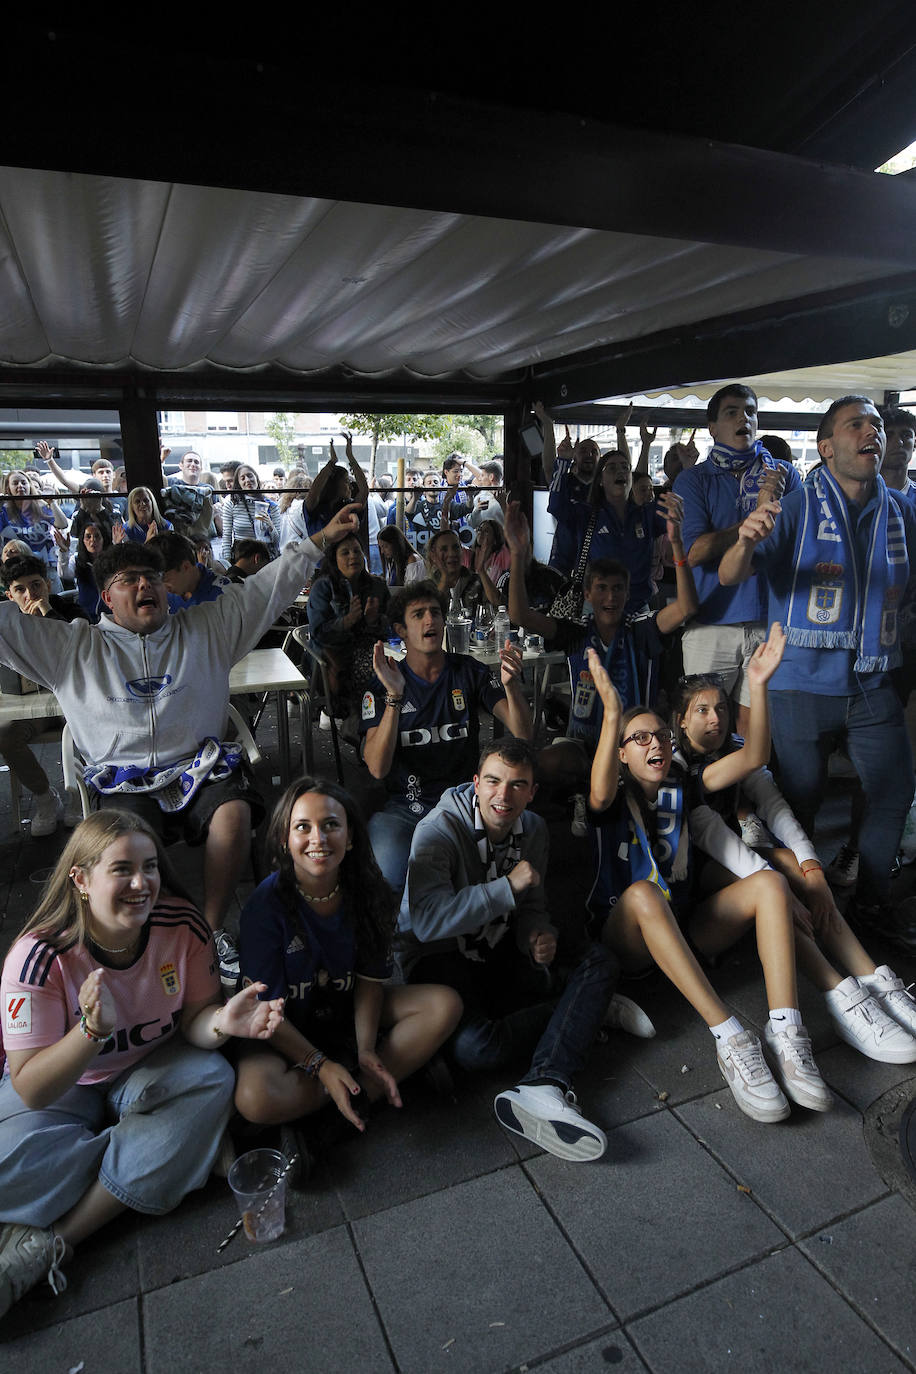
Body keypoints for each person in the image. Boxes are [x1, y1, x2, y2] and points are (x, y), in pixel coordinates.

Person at [0, 503, 362, 984]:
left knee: (234, 814)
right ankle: (148, 942)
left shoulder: (206, 629)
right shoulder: (74, 648)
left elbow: (265, 589)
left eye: (151, 577)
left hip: (200, 768)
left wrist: (317, 542)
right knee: (129, 846)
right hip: (123, 781)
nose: (144, 585)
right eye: (128, 580)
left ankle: (207, 933)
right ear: (107, 597)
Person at [0, 810, 284, 1318]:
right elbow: (32, 1089)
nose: (141, 882)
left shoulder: (182, 925)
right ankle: (174, 1150)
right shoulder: (37, 956)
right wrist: (90, 1033)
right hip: (65, 1086)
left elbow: (197, 1019)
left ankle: (55, 1241)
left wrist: (224, 1023)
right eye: (122, 869)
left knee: (212, 1078)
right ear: (81, 880)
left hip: (152, 1069)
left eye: (150, 867)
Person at [587, 633, 834, 1123]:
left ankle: (785, 1031)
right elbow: (597, 789)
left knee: (770, 883)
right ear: (621, 755)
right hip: (627, 940)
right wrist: (613, 714)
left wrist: (758, 685)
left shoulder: (685, 783)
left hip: (686, 930)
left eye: (659, 735)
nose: (653, 742)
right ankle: (730, 1037)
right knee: (641, 894)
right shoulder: (612, 798)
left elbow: (752, 757)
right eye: (639, 739)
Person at [718, 395, 916, 949]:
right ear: (827, 448)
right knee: (797, 803)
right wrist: (744, 539)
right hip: (799, 684)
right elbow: (733, 574)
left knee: (894, 791)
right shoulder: (799, 509)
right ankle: (794, 910)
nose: (870, 432)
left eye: (875, 425)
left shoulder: (901, 511)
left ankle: (872, 906)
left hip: (874, 680)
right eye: (856, 424)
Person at [673, 673, 916, 1063]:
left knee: (792, 863)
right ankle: (840, 996)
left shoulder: (731, 747)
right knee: (774, 884)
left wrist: (812, 869)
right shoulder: (678, 768)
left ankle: (874, 978)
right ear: (682, 720)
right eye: (702, 710)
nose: (715, 718)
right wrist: (786, 895)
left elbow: (775, 808)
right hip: (698, 913)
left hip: (738, 873)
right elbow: (715, 838)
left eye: (721, 707)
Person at [399, 738, 614, 1160]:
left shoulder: (532, 828)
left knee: (600, 960)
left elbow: (532, 906)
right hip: (438, 958)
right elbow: (425, 923)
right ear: (476, 783)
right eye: (494, 782)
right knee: (476, 1049)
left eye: (518, 785)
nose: (504, 795)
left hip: (496, 948)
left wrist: (536, 935)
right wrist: (505, 887)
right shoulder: (438, 830)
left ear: (532, 791)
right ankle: (585, 1012)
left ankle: (550, 1073)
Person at [234, 779, 461, 1177]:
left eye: (331, 825)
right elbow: (265, 1013)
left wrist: (367, 1048)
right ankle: (371, 1081)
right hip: (285, 1028)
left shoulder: (370, 892)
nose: (318, 838)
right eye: (302, 826)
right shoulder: (262, 909)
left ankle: (338, 1108)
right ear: (284, 838)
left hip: (346, 1017)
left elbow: (371, 980)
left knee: (444, 1005)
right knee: (254, 1098)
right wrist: (318, 1064)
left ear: (351, 837)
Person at [504, 498, 697, 821]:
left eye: (618, 589)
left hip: (637, 740)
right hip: (583, 744)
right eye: (602, 588)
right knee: (538, 764)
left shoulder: (642, 629)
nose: (611, 597)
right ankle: (580, 795)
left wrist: (676, 544)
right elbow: (519, 614)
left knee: (664, 777)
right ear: (588, 594)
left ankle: (613, 800)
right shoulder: (575, 631)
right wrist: (517, 553)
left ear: (627, 593)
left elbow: (687, 607)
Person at [360, 581, 532, 895]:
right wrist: (394, 697)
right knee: (389, 875)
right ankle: (404, 941)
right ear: (401, 629)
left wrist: (511, 686)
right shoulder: (383, 683)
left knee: (527, 834)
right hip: (405, 809)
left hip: (468, 803)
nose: (430, 621)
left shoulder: (469, 671)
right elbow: (376, 768)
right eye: (419, 615)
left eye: (436, 613)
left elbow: (522, 734)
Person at [674, 383, 800, 741]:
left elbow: (790, 544)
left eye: (750, 411)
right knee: (704, 730)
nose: (743, 418)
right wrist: (754, 517)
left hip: (768, 622)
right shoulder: (693, 479)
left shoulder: (784, 476)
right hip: (710, 624)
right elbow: (695, 551)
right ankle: (704, 794)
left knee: (753, 729)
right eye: (732, 412)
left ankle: (747, 798)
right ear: (713, 427)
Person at [0, 555, 89, 834]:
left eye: (36, 585)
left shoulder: (71, 611)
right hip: (29, 709)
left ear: (48, 585)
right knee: (4, 734)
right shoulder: (5, 625)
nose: (30, 595)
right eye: (21, 590)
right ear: (9, 595)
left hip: (74, 705)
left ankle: (79, 793)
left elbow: (85, 650)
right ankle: (43, 796)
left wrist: (50, 616)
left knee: (94, 727)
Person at [306, 534, 389, 718]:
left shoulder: (377, 585)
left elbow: (393, 626)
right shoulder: (323, 588)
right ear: (334, 559)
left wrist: (373, 621)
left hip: (374, 650)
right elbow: (318, 633)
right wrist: (347, 621)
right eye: (345, 552)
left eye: (357, 551)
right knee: (373, 672)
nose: (353, 556)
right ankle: (362, 724)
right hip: (335, 657)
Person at [0, 469, 68, 594]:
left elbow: (63, 524)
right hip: (17, 573)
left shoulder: (41, 506)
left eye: (23, 482)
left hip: (46, 570)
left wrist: (51, 501)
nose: (20, 486)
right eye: (15, 483)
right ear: (8, 488)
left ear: (29, 485)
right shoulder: (3, 511)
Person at [150, 531, 232, 607]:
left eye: (166, 580)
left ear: (185, 566)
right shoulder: (162, 595)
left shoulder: (223, 593)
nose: (164, 587)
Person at [220, 466, 279, 563]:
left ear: (256, 477)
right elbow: (226, 535)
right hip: (242, 557)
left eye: (250, 476)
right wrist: (228, 561)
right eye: (242, 478)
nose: (247, 480)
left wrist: (270, 525)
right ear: (238, 483)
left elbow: (277, 541)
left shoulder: (271, 506)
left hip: (264, 558)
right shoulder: (231, 503)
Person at [56, 519, 111, 621]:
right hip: (85, 616)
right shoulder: (77, 559)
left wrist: (118, 545)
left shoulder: (111, 560)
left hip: (110, 615)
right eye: (88, 537)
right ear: (83, 540)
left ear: (104, 539)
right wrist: (64, 551)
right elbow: (64, 574)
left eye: (97, 536)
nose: (92, 540)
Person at [426, 528, 483, 618]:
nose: (452, 553)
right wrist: (445, 578)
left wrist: (482, 571)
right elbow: (429, 616)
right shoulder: (427, 587)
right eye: (444, 549)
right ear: (434, 556)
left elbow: (499, 611)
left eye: (455, 547)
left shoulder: (477, 581)